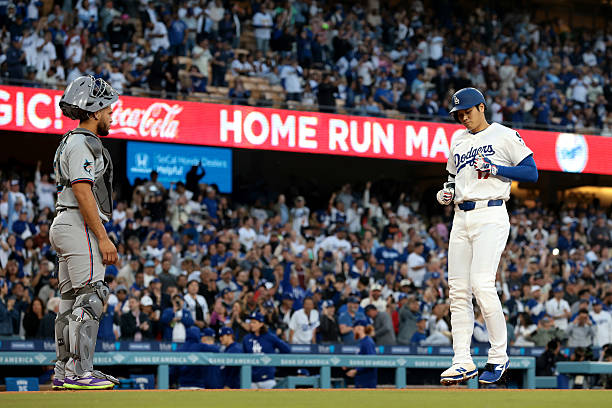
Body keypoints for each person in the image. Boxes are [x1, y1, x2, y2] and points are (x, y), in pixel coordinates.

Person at [437, 87, 538, 385]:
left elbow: (532, 173)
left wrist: (496, 168)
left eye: (467, 111)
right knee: (457, 291)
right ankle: (462, 361)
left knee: (481, 284)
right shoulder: (457, 139)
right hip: (461, 216)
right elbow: (453, 178)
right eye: (458, 114)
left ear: (482, 107)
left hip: (491, 213)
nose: (462, 117)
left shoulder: (504, 135)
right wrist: (448, 192)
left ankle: (498, 355)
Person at [50, 76, 119, 390]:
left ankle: (65, 370)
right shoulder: (82, 142)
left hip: (66, 222)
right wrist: (102, 236)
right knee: (92, 295)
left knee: (70, 302)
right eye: (106, 108)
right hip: (78, 222)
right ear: (94, 110)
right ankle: (81, 371)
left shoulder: (72, 140)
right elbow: (82, 190)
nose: (110, 114)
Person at [242, 311, 290, 389]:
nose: (251, 324)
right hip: (251, 380)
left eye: (254, 322)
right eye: (250, 322)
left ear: (261, 324)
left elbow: (286, 349)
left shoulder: (270, 337)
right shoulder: (246, 338)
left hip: (267, 379)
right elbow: (243, 357)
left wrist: (273, 359)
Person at [345, 320, 377, 388]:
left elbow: (371, 361)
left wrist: (356, 370)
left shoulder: (367, 341)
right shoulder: (361, 342)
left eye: (354, 328)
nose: (353, 331)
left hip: (367, 379)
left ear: (359, 328)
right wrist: (349, 365)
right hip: (361, 378)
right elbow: (359, 359)